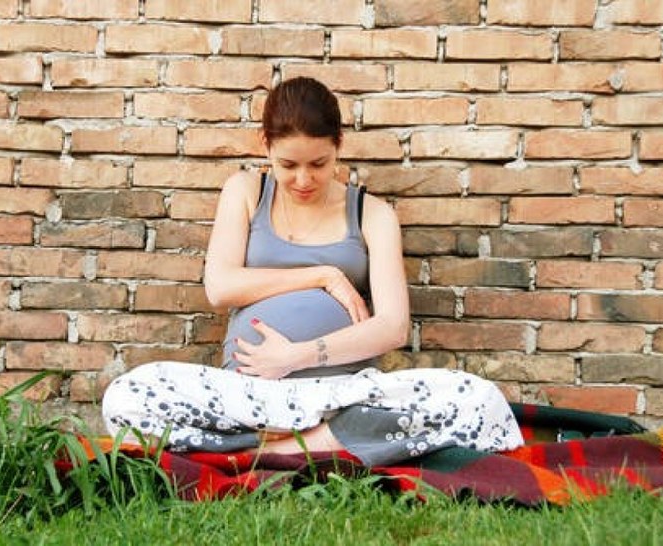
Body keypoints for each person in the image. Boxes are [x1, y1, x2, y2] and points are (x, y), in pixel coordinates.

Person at [101, 77, 523, 466]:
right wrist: (323, 275)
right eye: (288, 166)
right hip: (249, 395)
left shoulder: (372, 214)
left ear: (339, 144)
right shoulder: (246, 191)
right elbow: (220, 286)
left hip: (345, 396)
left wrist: (296, 356)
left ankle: (274, 452)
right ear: (264, 144)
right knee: (127, 396)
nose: (303, 179)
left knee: (478, 399)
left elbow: (394, 327)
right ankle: (322, 446)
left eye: (319, 164)